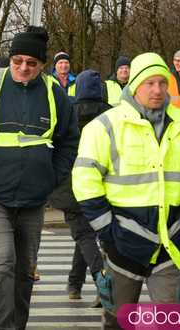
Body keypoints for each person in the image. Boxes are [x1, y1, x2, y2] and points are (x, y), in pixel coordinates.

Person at [0, 26, 79, 330]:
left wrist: (52, 177)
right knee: (3, 260)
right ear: (10, 59)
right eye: (17, 60)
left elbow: (69, 141)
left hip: (34, 198)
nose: (23, 68)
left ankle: (16, 325)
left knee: (24, 269)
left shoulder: (53, 94)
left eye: (31, 63)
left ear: (42, 66)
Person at [72, 52, 180, 329]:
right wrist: (107, 229)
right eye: (149, 83)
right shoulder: (106, 125)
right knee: (118, 323)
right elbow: (85, 178)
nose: (158, 90)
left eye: (162, 82)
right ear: (134, 85)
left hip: (171, 243)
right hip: (123, 243)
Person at [49, 70, 110, 307]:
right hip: (102, 184)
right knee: (86, 234)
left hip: (69, 184)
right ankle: (74, 283)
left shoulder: (67, 112)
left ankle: (103, 283)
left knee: (83, 234)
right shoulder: (112, 114)